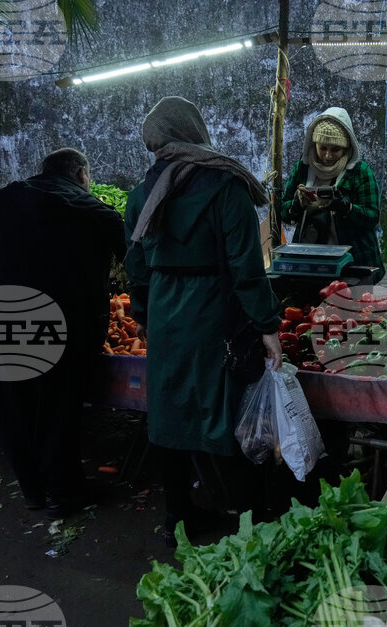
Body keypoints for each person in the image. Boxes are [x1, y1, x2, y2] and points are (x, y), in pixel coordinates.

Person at [124, 96, 282, 544]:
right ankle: (249, 523)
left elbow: (135, 266)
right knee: (227, 416)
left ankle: (178, 520)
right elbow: (247, 269)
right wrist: (268, 326)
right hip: (214, 315)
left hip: (165, 315)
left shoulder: (143, 194)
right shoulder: (225, 187)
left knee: (170, 417)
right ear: (195, 130)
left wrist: (143, 316)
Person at [0, 148, 125, 518]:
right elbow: (133, 260)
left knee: (14, 406)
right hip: (65, 319)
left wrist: (13, 263)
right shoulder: (98, 212)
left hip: (4, 313)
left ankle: (33, 491)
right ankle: (63, 495)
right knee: (57, 407)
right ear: (81, 174)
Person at [280, 107, 385, 281]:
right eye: (323, 148)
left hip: (353, 260)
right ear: (314, 144)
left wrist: (346, 207)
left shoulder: (360, 172)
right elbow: (283, 212)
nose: (327, 156)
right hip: (310, 260)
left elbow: (372, 217)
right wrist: (296, 205)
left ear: (346, 148)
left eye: (335, 149)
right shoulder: (303, 169)